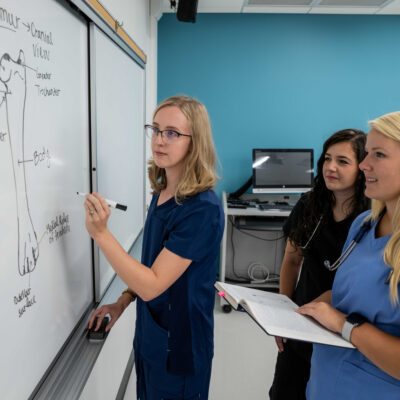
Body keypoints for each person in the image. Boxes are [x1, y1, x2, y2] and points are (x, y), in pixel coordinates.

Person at [84, 95, 224, 400]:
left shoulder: (202, 209)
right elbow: (152, 264)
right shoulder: (162, 193)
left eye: (172, 133)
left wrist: (101, 234)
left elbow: (153, 285)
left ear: (195, 142)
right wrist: (121, 301)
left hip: (179, 348)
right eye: (156, 129)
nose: (160, 140)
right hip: (151, 338)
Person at [296, 111, 400, 399]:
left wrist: (344, 325)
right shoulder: (364, 225)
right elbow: (349, 293)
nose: (364, 165)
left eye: (378, 155)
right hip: (322, 385)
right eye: (366, 154)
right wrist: (301, 314)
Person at [269, 129, 369, 400]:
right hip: (300, 322)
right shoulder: (309, 205)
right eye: (327, 159)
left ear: (362, 167)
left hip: (343, 331)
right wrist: (281, 316)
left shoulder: (372, 217)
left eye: (343, 161)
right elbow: (291, 261)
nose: (331, 167)